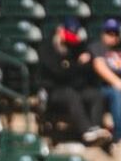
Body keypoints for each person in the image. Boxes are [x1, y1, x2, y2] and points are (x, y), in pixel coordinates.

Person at [39, 16, 111, 147]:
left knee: (95, 95)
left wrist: (71, 66)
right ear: (60, 31)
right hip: (54, 91)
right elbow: (57, 72)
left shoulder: (77, 46)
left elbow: (85, 68)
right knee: (70, 95)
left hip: (75, 88)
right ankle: (87, 131)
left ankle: (95, 129)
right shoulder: (47, 47)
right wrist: (75, 66)